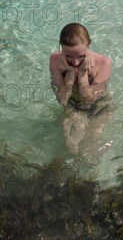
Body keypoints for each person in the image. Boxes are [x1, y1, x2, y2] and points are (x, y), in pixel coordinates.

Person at [49, 23, 115, 155]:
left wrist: (83, 73)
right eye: (69, 56)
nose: (75, 62)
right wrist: (71, 73)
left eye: (81, 56)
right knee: (71, 145)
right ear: (61, 47)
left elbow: (88, 100)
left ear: (88, 45)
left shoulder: (103, 63)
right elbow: (62, 100)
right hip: (72, 106)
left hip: (99, 107)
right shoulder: (55, 59)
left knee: (88, 147)